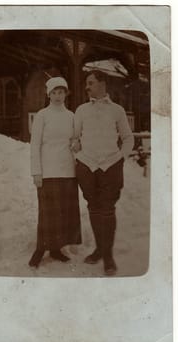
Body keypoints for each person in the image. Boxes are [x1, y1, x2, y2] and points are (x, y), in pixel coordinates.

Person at [73, 70, 134, 276]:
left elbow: (128, 138)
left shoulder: (117, 110)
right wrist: (78, 153)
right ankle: (99, 249)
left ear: (102, 84)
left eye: (90, 82)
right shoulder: (81, 110)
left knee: (108, 209)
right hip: (87, 167)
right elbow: (74, 138)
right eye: (86, 83)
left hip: (110, 167)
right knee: (94, 207)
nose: (87, 87)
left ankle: (107, 256)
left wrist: (120, 159)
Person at [29, 77, 82, 268]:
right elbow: (34, 145)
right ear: (48, 95)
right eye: (54, 92)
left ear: (66, 94)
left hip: (67, 171)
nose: (58, 96)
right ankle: (40, 248)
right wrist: (36, 172)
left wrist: (77, 145)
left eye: (61, 92)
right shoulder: (42, 115)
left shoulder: (71, 116)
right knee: (47, 212)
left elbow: (76, 141)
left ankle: (56, 248)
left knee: (63, 213)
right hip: (48, 171)